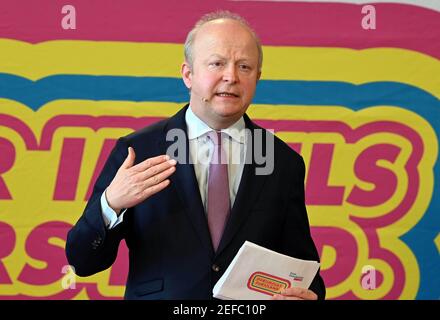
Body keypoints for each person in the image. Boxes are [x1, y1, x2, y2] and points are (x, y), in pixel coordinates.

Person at [65, 10, 326, 300]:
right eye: (217, 63)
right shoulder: (137, 152)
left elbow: (304, 270)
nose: (231, 76)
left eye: (244, 67)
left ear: (258, 78)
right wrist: (110, 205)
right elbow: (83, 261)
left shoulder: (282, 162)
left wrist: (308, 295)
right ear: (188, 74)